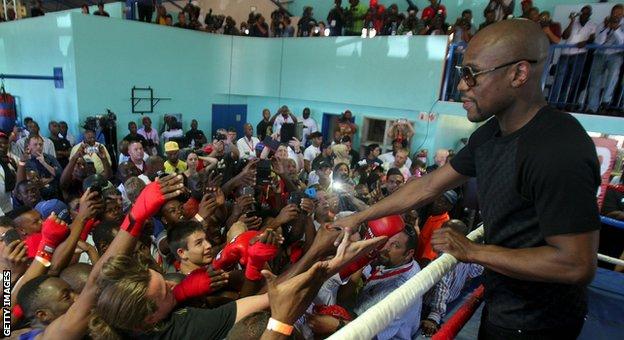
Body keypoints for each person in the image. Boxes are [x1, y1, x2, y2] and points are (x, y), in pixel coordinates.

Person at [334, 20, 601, 338]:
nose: (462, 85)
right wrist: (358, 217)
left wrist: (472, 251)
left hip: (541, 322)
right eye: (462, 73)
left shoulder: (558, 147)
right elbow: (428, 185)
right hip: (502, 302)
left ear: (518, 74)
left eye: (472, 74)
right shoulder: (491, 134)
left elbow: (576, 264)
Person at [333, 227, 421, 339]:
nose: (385, 248)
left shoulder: (400, 289)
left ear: (408, 254)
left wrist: (335, 325)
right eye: (387, 240)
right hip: (363, 319)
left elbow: (371, 333)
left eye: (395, 245)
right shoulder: (406, 263)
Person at [421, 222, 484, 336]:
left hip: (430, 306)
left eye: (444, 234)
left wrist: (435, 315)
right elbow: (475, 271)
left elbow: (442, 286)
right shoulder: (464, 252)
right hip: (451, 300)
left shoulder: (444, 257)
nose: (438, 236)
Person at [549, 6, 596, 109]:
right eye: (582, 13)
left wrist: (585, 42)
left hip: (580, 56)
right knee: (559, 79)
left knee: (571, 81)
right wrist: (571, 21)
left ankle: (561, 104)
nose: (584, 15)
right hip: (565, 54)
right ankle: (552, 103)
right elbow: (565, 36)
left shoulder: (592, 25)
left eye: (586, 14)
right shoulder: (573, 23)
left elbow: (592, 40)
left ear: (590, 15)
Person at [587, 5, 624, 114]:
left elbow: (622, 42)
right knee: (594, 81)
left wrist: (616, 29)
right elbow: (598, 42)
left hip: (616, 55)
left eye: (619, 13)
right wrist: (606, 28)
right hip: (600, 54)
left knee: (612, 79)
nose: (616, 15)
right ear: (611, 13)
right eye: (615, 12)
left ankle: (606, 103)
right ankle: (592, 107)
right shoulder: (603, 23)